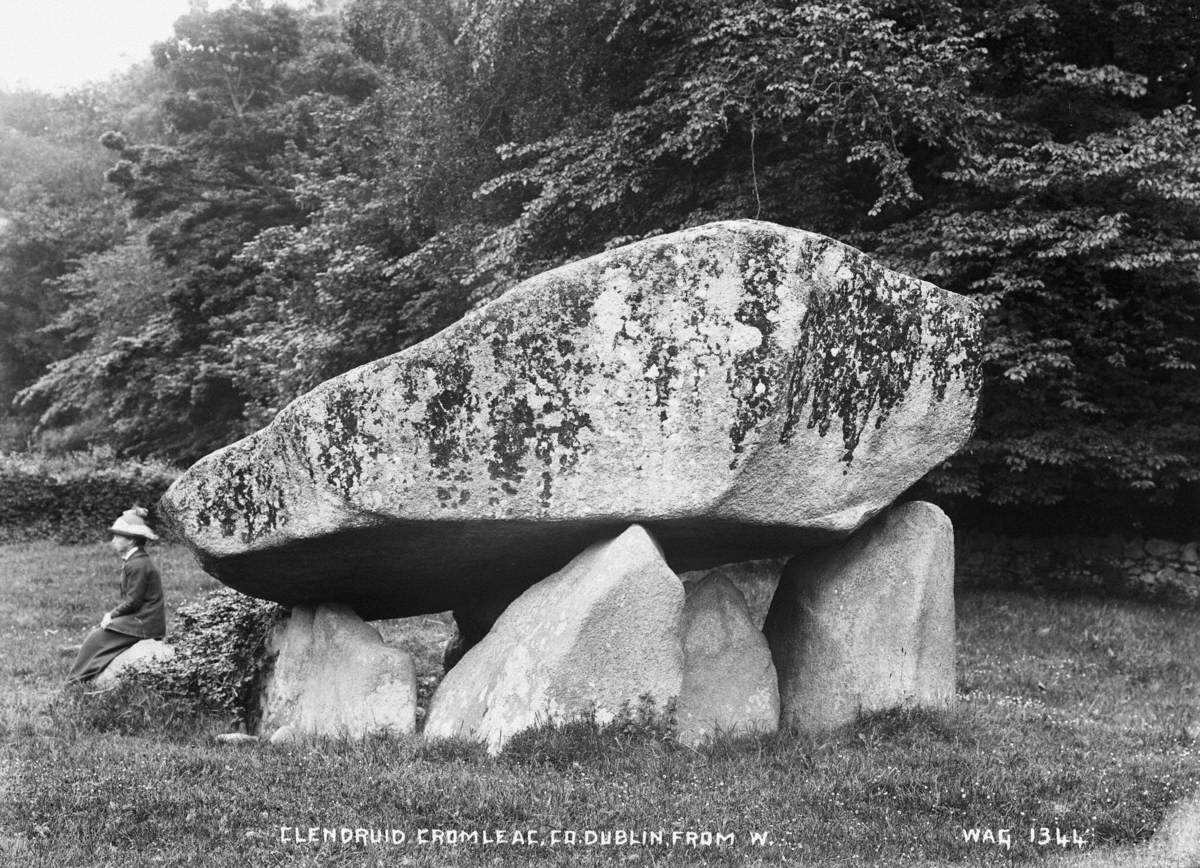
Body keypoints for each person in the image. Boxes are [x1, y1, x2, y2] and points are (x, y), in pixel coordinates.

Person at [66, 507, 166, 684]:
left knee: (96, 638)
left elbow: (134, 601)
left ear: (132, 540)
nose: (113, 541)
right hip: (142, 617)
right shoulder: (135, 561)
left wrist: (111, 615)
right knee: (99, 635)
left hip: (145, 620)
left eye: (118, 537)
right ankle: (85, 676)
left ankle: (75, 680)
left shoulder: (138, 564)